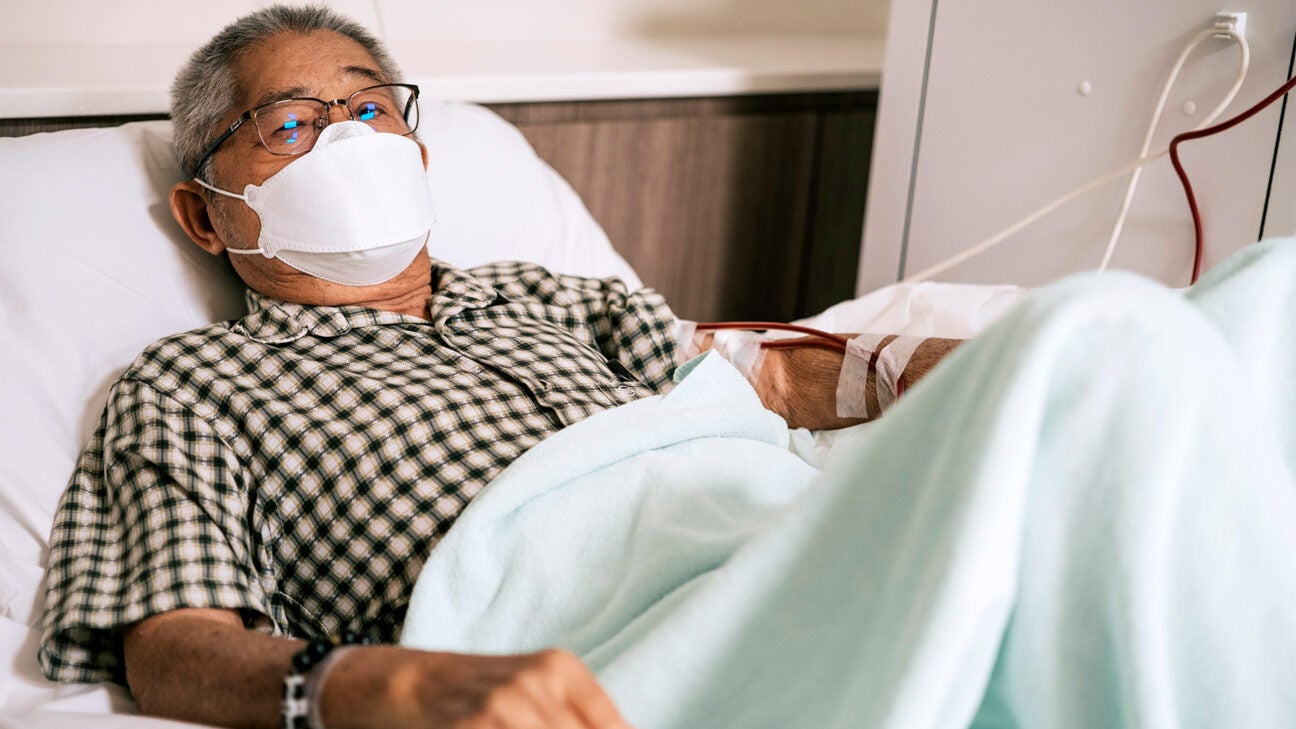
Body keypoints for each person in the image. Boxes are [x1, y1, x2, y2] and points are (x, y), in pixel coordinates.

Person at [36, 6, 958, 729]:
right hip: (600, 635)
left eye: (369, 110)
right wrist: (380, 686)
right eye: (290, 123)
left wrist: (951, 372)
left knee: (1082, 339)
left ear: (419, 154)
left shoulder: (544, 294)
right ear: (205, 216)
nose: (350, 139)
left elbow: (769, 379)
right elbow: (175, 647)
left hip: (787, 535)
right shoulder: (189, 385)